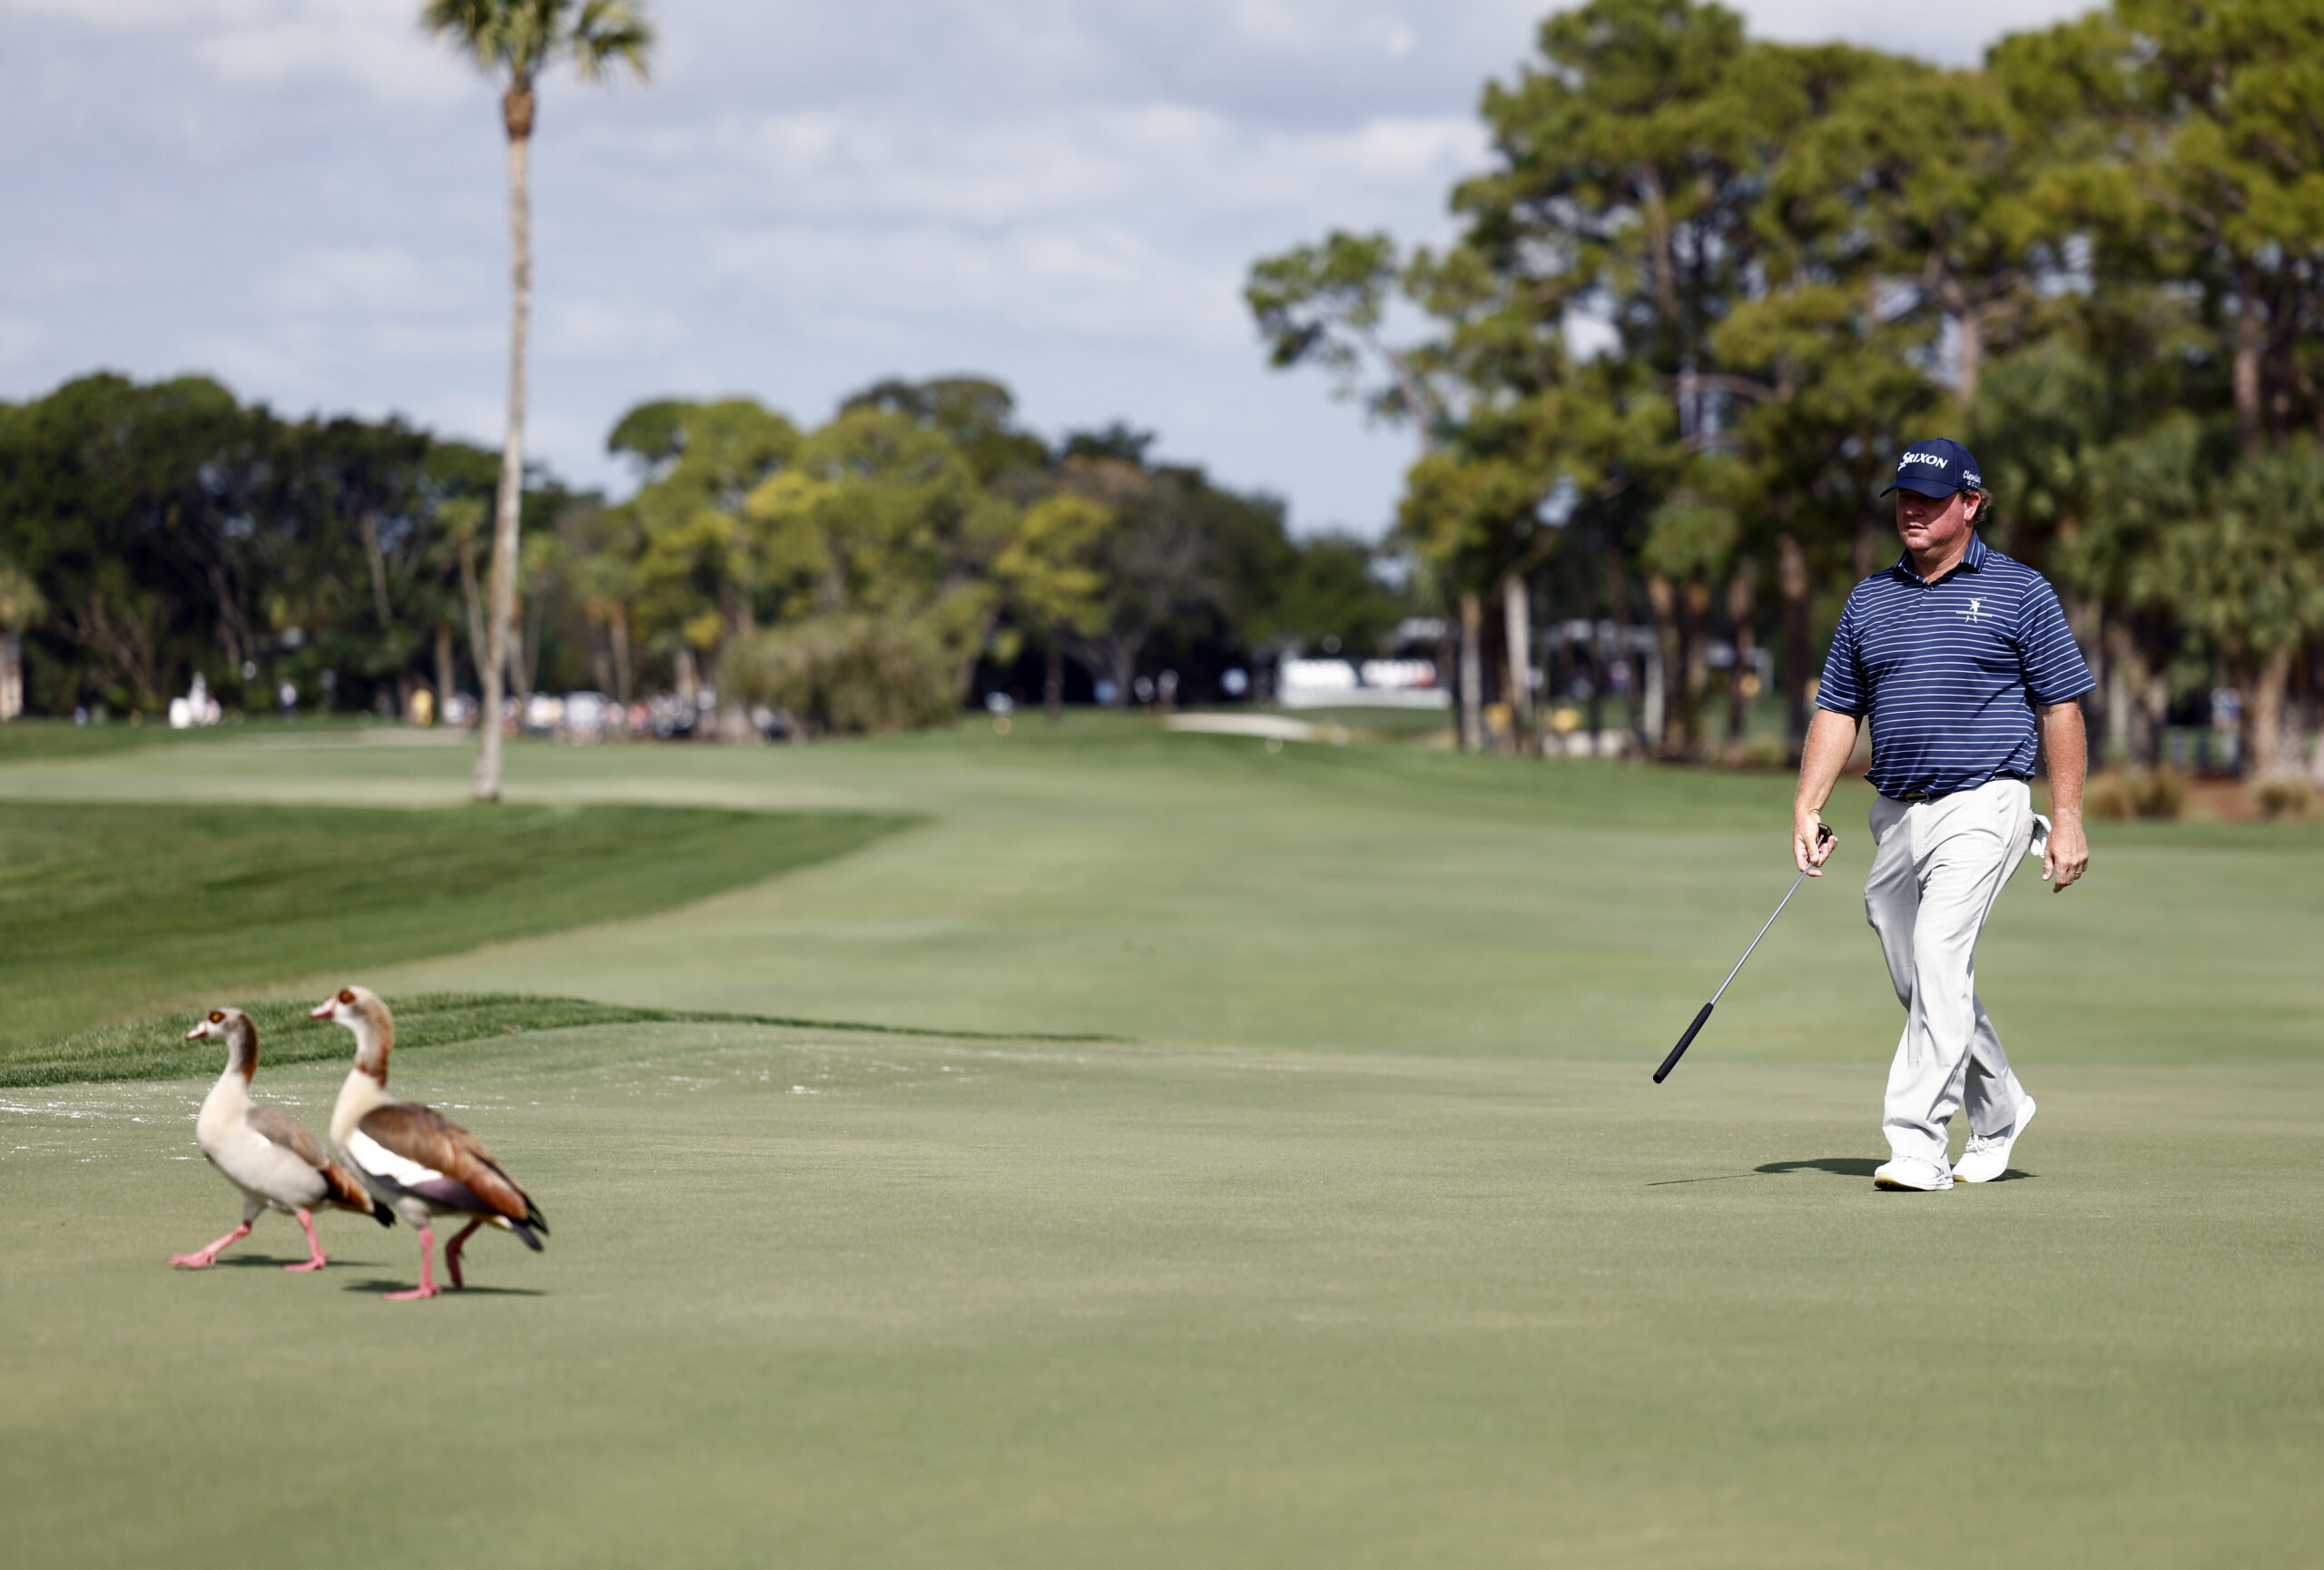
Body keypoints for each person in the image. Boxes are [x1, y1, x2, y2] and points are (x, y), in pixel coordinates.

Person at [1791, 439, 2093, 1191]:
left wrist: (2068, 816)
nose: (1913, 510)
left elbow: (2061, 706)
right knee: (1919, 974)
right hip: (1894, 813)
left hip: (1985, 802)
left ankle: (1918, 1143)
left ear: (1972, 503)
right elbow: (1837, 709)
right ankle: (2000, 1105)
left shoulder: (2022, 592)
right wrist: (1807, 803)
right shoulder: (1871, 598)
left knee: (1936, 954)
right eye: (1903, 497)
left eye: (1929, 498)